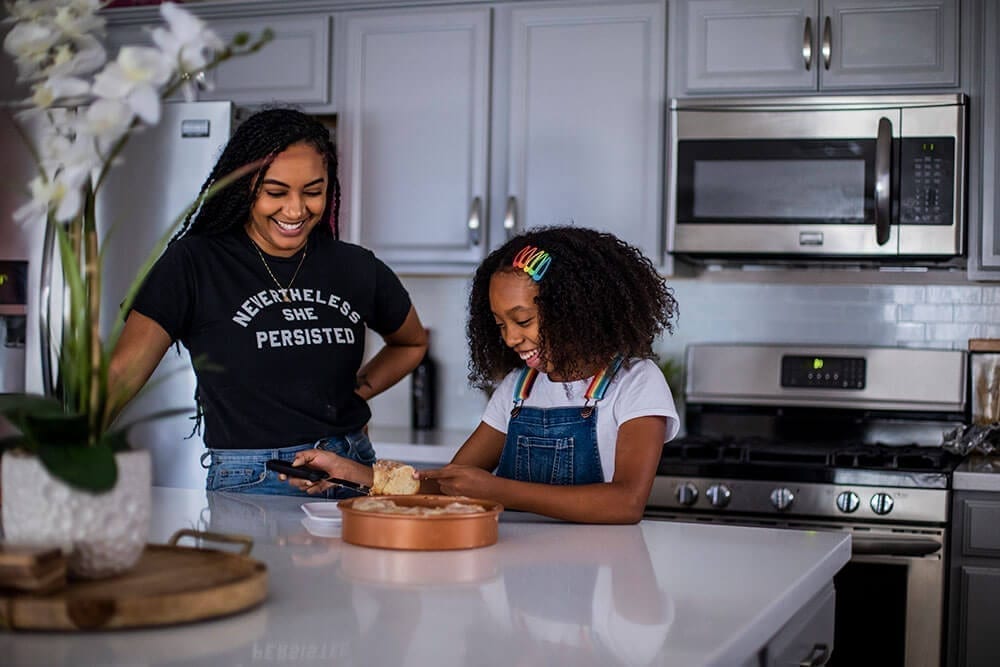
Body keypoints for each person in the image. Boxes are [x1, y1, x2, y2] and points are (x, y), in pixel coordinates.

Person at [108, 108, 427, 497]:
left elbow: (411, 342)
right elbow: (120, 375)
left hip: (351, 468)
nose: (295, 210)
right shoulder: (195, 263)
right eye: (275, 192)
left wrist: (357, 391)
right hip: (258, 478)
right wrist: (55, 458)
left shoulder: (354, 266)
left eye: (313, 192)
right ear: (245, 186)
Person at [285, 226, 679, 523]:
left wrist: (497, 491)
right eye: (499, 324)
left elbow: (626, 502)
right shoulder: (519, 389)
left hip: (600, 576)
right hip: (516, 573)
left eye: (522, 320)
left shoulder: (634, 383)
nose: (510, 338)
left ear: (576, 310)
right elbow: (446, 484)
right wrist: (349, 472)